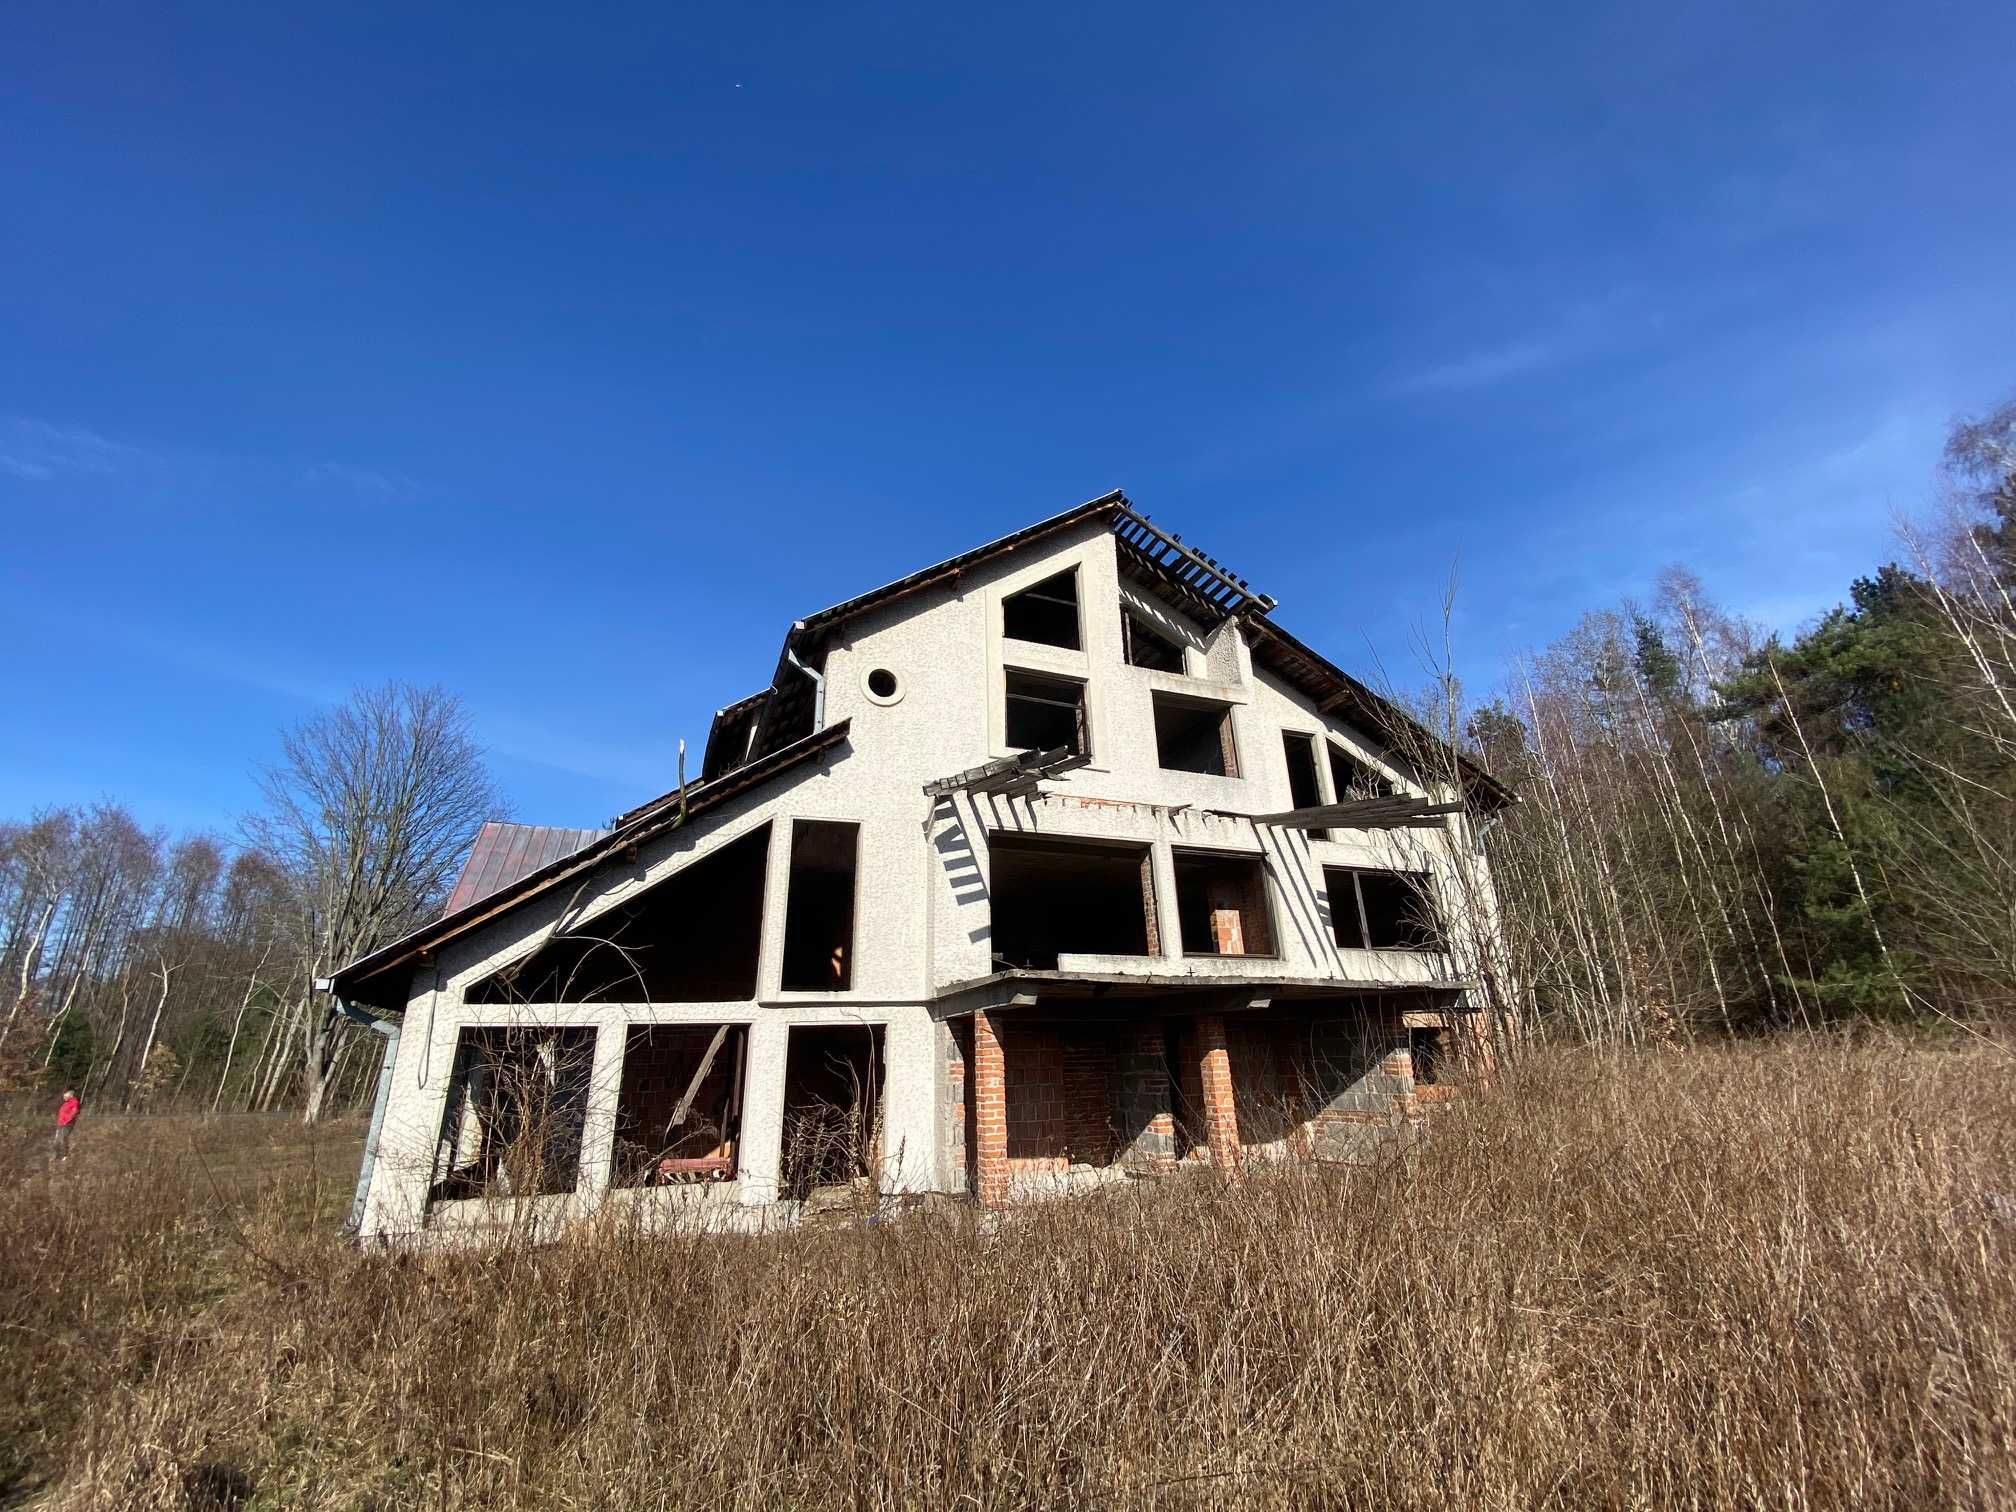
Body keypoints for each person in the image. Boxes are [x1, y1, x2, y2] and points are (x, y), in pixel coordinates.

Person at [52, 1088, 80, 1162]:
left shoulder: (74, 1102)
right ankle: (57, 1156)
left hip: (68, 1124)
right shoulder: (65, 1103)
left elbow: (73, 1113)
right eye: (64, 1095)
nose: (64, 1096)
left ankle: (65, 1156)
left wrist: (66, 1121)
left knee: (63, 1138)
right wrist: (59, 1122)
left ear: (71, 1095)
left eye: (65, 1095)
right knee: (56, 1141)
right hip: (60, 1124)